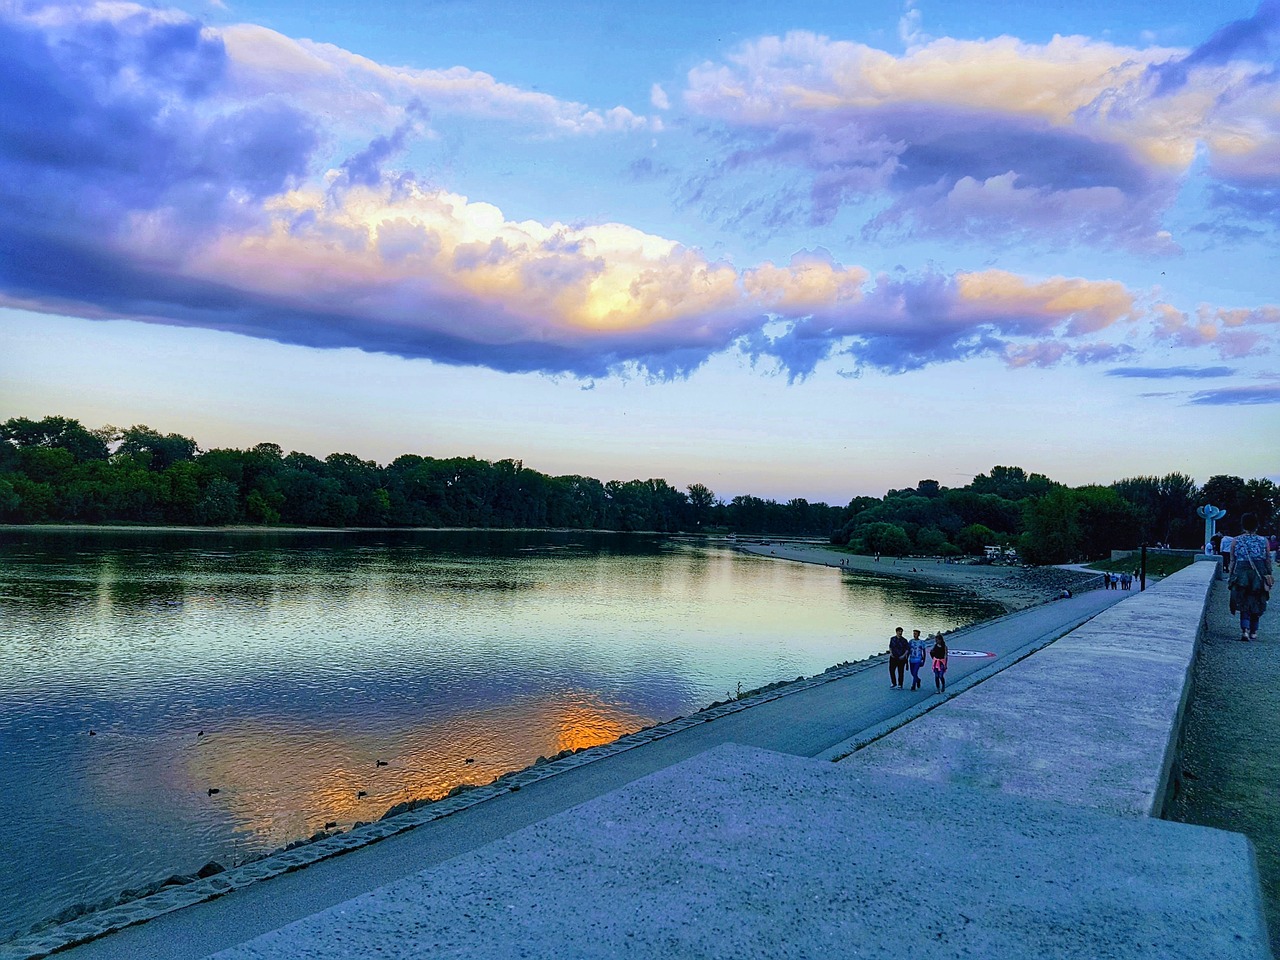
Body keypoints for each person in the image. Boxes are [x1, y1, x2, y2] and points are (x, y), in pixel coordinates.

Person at [1229, 513, 1273, 642]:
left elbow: (1232, 560)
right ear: (1256, 525)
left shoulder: (1236, 540)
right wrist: (1269, 574)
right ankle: (1254, 631)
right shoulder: (1263, 540)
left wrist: (1231, 576)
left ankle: (1245, 630)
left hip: (1241, 574)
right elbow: (1268, 559)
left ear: (1243, 525)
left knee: (1243, 601)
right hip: (1259, 573)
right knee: (1258, 601)